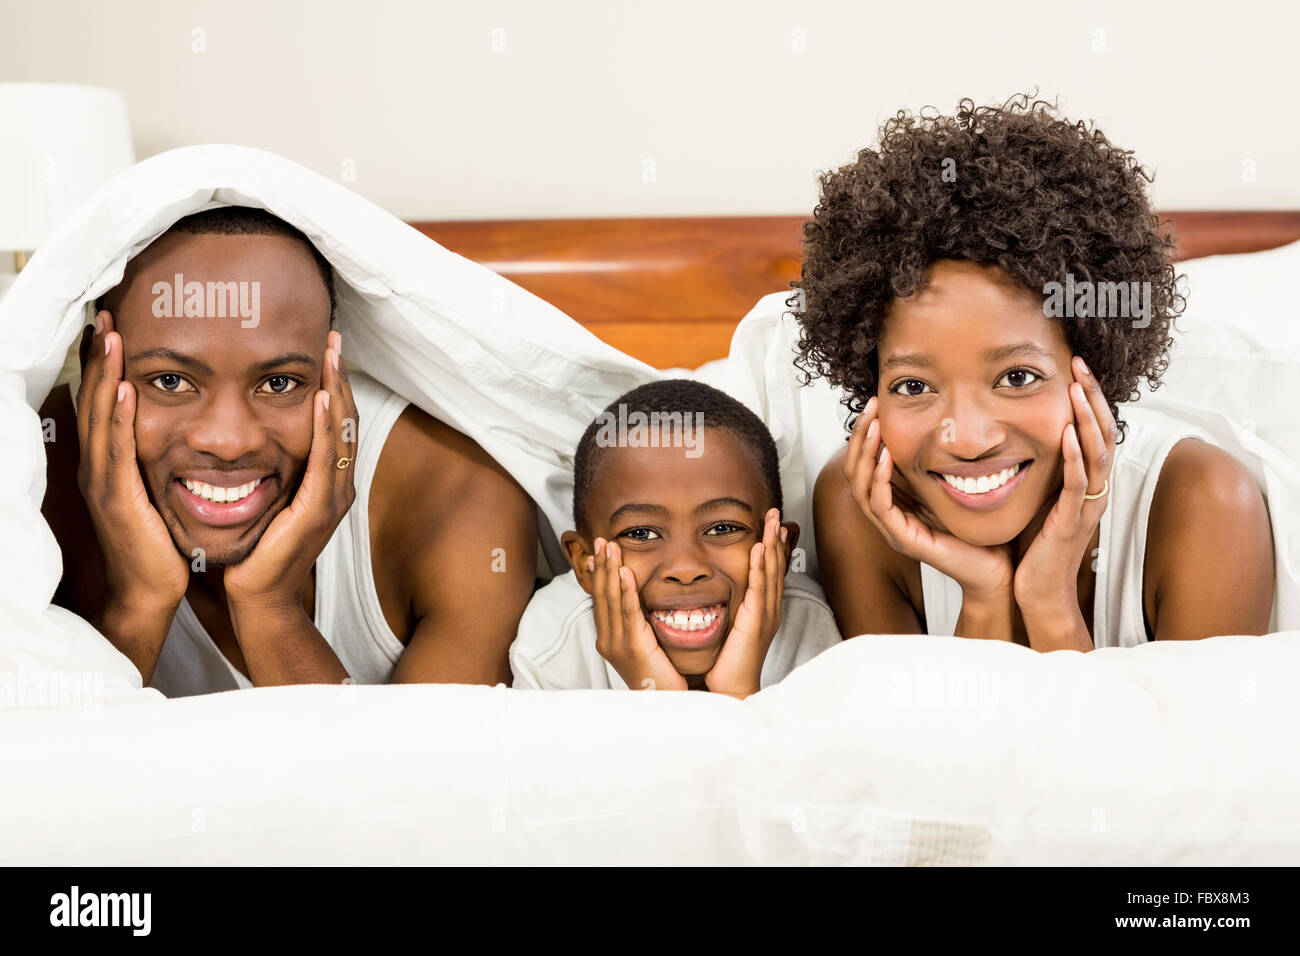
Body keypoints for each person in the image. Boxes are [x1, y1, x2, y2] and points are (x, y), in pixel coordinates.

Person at [801, 94, 1275, 650]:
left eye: (1017, 377)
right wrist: (985, 594)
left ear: (1094, 367)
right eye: (914, 386)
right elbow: (926, 740)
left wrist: (1049, 600)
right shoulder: (860, 505)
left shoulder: (1207, 503)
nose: (970, 438)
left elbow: (1173, 742)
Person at [39, 206, 538, 694]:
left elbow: (415, 779)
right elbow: (48, 772)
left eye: (279, 383)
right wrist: (139, 600)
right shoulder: (35, 475)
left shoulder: (458, 495)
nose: (229, 441)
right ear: (96, 373)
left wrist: (269, 605)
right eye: (170, 381)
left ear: (331, 370)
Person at [510, 379, 840, 696]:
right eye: (641, 533)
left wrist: (739, 692)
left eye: (722, 528)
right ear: (585, 564)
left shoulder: (810, 632)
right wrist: (654, 693)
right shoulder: (552, 651)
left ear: (780, 551)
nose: (685, 567)